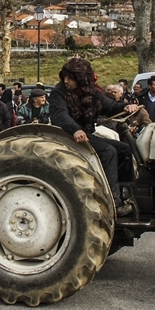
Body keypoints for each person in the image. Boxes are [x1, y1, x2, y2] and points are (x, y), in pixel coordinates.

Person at [49, 58, 138, 217]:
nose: (66, 81)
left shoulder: (92, 91)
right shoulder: (58, 93)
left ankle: (127, 192)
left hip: (86, 135)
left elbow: (110, 107)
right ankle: (114, 204)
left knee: (123, 149)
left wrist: (125, 106)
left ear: (81, 78)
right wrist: (75, 129)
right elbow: (60, 115)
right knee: (108, 151)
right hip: (68, 136)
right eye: (65, 77)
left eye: (71, 78)